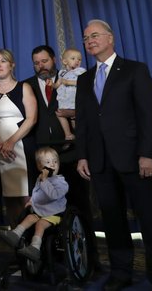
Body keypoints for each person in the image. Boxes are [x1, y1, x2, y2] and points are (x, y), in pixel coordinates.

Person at [76, 19, 152, 290]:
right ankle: (121, 274)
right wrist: (83, 155)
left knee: (151, 220)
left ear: (110, 38)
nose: (90, 41)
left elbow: (148, 116)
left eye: (95, 35)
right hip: (100, 161)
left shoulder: (134, 70)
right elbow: (83, 121)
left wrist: (147, 154)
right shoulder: (84, 80)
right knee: (113, 221)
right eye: (86, 38)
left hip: (135, 158)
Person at [26, 45, 98, 267]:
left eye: (45, 61)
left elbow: (91, 108)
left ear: (55, 60)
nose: (41, 66)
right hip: (42, 159)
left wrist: (72, 114)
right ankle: (52, 260)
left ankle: (90, 260)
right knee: (45, 210)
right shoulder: (27, 85)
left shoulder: (73, 77)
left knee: (79, 206)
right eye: (37, 62)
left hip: (71, 154)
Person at [0, 48, 38, 222]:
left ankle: (33, 239)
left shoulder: (24, 87)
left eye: (3, 61)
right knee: (9, 197)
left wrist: (12, 141)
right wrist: (0, 142)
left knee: (27, 196)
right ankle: (17, 239)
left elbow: (32, 118)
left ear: (12, 65)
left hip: (22, 147)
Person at [0, 146, 68, 262]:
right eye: (48, 162)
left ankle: (35, 247)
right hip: (40, 210)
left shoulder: (61, 182)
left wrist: (45, 181)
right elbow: (36, 192)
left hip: (54, 214)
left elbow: (53, 195)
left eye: (55, 161)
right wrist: (31, 201)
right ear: (40, 166)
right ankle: (15, 234)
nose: (53, 165)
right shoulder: (40, 178)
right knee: (30, 217)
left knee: (40, 223)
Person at [55, 47, 86, 120]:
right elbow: (57, 85)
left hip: (74, 99)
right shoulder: (62, 73)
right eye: (73, 58)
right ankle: (67, 131)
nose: (77, 61)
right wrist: (52, 84)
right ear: (65, 61)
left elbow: (83, 83)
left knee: (76, 118)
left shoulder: (80, 71)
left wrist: (68, 82)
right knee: (59, 114)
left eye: (79, 59)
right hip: (64, 99)